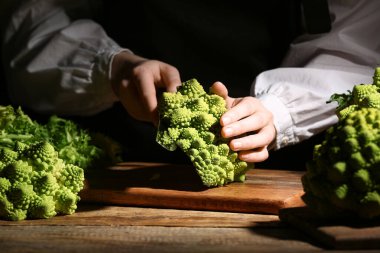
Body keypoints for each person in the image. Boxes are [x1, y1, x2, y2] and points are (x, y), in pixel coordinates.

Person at [1, 0, 379, 169]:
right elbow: (34, 17)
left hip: (286, 170)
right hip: (123, 157)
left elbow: (362, 39)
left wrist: (281, 109)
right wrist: (113, 68)